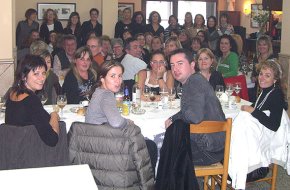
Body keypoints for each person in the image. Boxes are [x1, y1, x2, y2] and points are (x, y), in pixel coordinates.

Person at [85, 61, 157, 173]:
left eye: (120, 76)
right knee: (150, 145)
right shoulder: (106, 95)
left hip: (95, 145)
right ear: (102, 78)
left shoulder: (98, 92)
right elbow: (116, 122)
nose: (118, 81)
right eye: (112, 76)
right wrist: (128, 122)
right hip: (105, 148)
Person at [230, 59, 287, 188]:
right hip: (256, 137)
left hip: (263, 146)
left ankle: (241, 171)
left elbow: (274, 125)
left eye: (267, 75)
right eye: (261, 74)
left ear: (275, 79)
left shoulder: (276, 95)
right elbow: (259, 109)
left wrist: (252, 110)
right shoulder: (265, 91)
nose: (262, 78)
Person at [5, 54, 59, 147]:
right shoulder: (31, 100)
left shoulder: (12, 93)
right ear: (23, 76)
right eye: (36, 74)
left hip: (12, 151)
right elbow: (52, 140)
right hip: (30, 154)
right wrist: (54, 115)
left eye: (43, 73)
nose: (42, 78)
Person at [250, 35, 275, 101]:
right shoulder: (256, 58)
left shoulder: (272, 59)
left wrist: (257, 77)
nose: (261, 47)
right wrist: (252, 77)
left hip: (268, 89)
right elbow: (254, 72)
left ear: (269, 46)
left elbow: (273, 76)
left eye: (264, 44)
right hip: (257, 88)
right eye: (259, 44)